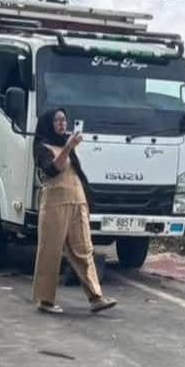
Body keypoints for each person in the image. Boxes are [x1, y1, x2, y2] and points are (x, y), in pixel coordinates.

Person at [31, 108, 116, 315]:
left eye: (64, 120)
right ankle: (45, 300)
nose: (62, 124)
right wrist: (68, 147)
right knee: (50, 251)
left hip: (77, 203)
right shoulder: (43, 146)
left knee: (84, 249)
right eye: (57, 120)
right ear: (48, 124)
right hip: (55, 204)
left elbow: (77, 173)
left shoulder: (66, 144)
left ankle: (96, 297)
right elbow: (52, 169)